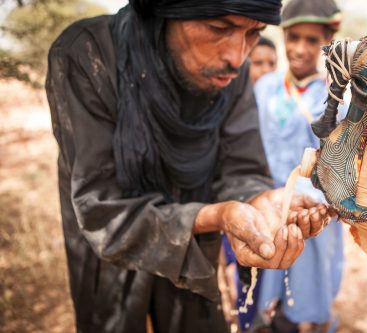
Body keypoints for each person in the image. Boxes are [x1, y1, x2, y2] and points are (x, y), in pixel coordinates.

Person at [44, 1, 335, 332]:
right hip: (109, 253)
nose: (237, 57)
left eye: (253, 33)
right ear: (164, 12)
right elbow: (102, 209)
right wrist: (217, 215)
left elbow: (240, 169)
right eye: (219, 29)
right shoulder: (86, 55)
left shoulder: (231, 74)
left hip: (194, 255)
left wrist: (255, 200)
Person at [253, 0, 346, 332]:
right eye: (293, 38)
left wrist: (321, 206)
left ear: (328, 41)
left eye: (312, 40)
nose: (300, 49)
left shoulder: (340, 98)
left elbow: (346, 167)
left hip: (315, 216)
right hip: (268, 209)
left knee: (311, 287)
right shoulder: (262, 90)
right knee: (265, 285)